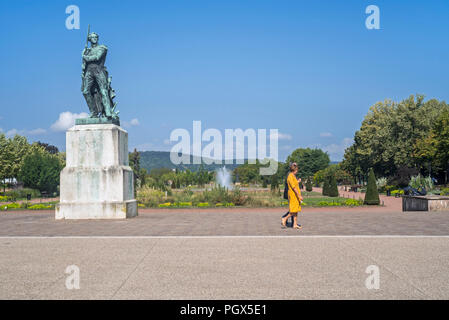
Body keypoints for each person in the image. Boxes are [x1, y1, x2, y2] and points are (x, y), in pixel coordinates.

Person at [281, 162, 303, 229]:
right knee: (293, 210)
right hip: (293, 195)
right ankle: (284, 218)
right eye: (297, 170)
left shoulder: (293, 176)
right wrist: (299, 195)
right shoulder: (290, 176)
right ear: (295, 170)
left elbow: (295, 184)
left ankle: (295, 224)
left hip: (295, 196)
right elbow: (293, 187)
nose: (297, 171)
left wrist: (298, 181)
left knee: (296, 210)